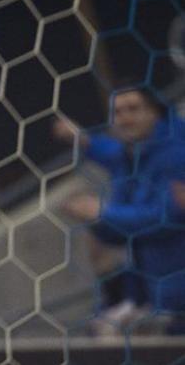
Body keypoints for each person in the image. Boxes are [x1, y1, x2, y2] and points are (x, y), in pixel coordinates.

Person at [55, 86, 185, 334]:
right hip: (156, 292)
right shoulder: (132, 154)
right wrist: (83, 139)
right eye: (118, 112)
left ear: (154, 113)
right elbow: (110, 152)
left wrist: (104, 213)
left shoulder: (177, 155)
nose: (125, 118)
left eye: (133, 109)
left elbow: (167, 218)